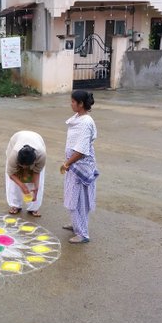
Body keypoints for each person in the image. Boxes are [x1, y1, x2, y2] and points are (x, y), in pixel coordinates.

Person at [60, 90, 100, 244]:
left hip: (80, 167)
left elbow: (81, 151)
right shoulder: (78, 118)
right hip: (74, 165)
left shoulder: (86, 123)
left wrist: (67, 163)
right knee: (72, 196)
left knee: (79, 200)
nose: (70, 104)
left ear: (81, 104)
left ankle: (82, 233)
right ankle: (76, 224)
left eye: (72, 101)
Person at [5, 130, 46, 217]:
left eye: (26, 166)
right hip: (17, 139)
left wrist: (36, 189)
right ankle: (15, 205)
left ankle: (34, 207)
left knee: (36, 183)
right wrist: (22, 185)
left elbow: (36, 172)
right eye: (21, 165)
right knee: (15, 181)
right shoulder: (14, 155)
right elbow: (11, 174)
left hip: (37, 139)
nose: (24, 168)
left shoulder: (41, 155)